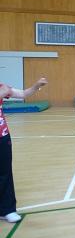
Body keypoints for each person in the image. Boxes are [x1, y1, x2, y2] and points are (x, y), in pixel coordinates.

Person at [0, 78, 48, 223]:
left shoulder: (2, 87)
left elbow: (22, 94)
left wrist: (36, 85)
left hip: (2, 136)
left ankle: (7, 210)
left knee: (5, 173)